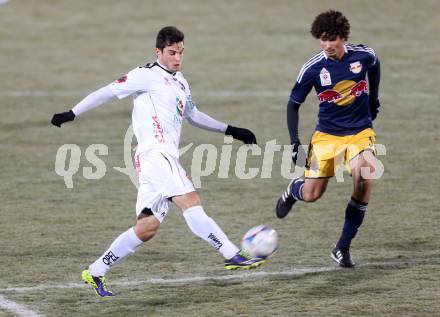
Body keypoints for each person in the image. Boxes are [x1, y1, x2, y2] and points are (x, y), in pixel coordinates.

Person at [51, 26, 265, 297]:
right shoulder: (145, 75)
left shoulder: (181, 81)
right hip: (155, 153)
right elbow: (106, 92)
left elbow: (193, 114)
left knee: (147, 226)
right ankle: (232, 254)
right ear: (159, 51)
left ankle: (95, 271)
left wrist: (232, 130)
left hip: (158, 158)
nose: (177, 58)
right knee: (190, 200)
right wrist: (72, 113)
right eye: (172, 52)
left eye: (181, 52)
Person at [275, 10, 381, 268]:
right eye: (322, 39)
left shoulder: (363, 56)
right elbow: (293, 105)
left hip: (359, 132)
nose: (327, 45)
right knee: (312, 194)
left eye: (331, 38)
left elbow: (375, 66)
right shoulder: (312, 68)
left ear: (343, 36)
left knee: (364, 177)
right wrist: (295, 142)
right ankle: (294, 189)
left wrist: (373, 99)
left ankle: (342, 247)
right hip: (327, 137)